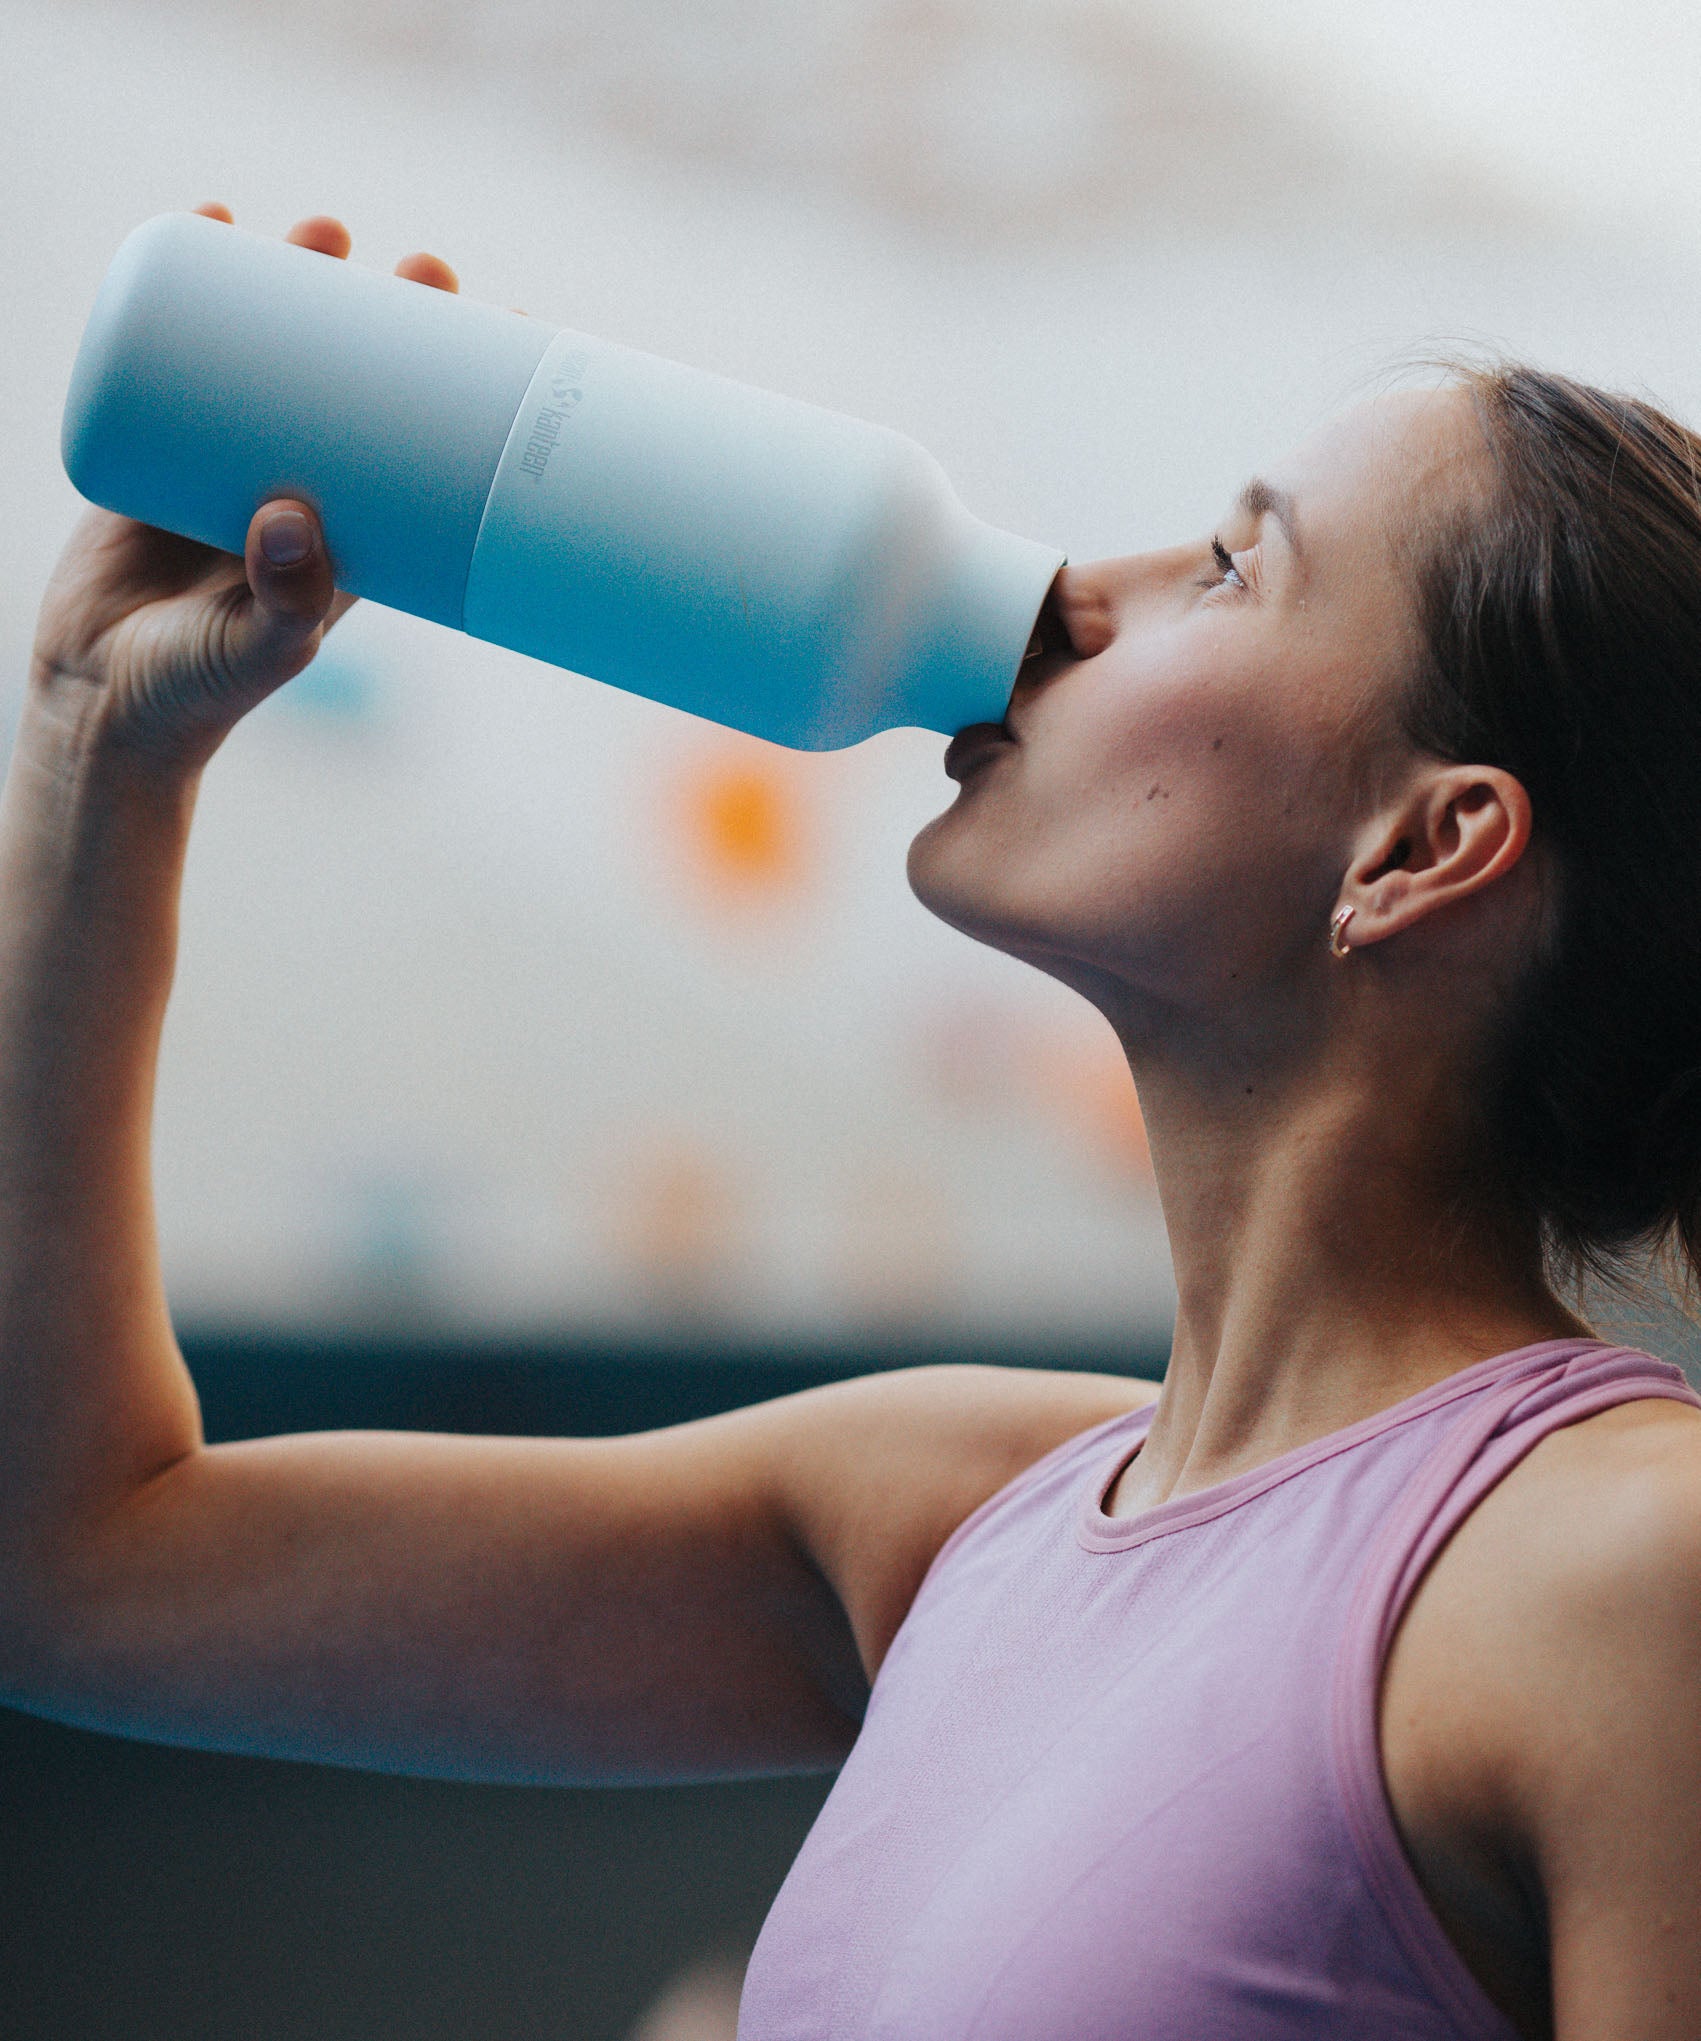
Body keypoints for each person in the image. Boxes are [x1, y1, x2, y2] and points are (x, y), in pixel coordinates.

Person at [2, 203, 1699, 2041]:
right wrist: (99, 744)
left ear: (1423, 845)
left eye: (1225, 566)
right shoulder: (951, 1514)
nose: (1074, 588)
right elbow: (76, 1561)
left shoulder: (1622, 1571)